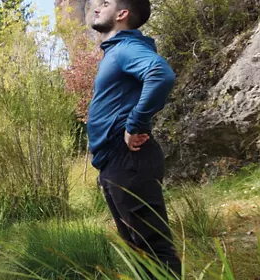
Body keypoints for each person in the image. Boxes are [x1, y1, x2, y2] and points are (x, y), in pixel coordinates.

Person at [87, 0, 182, 276]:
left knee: (154, 250)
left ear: (122, 13)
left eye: (105, 3)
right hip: (116, 163)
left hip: (129, 158)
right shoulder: (116, 52)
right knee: (140, 252)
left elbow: (160, 74)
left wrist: (135, 123)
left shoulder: (126, 48)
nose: (96, 7)